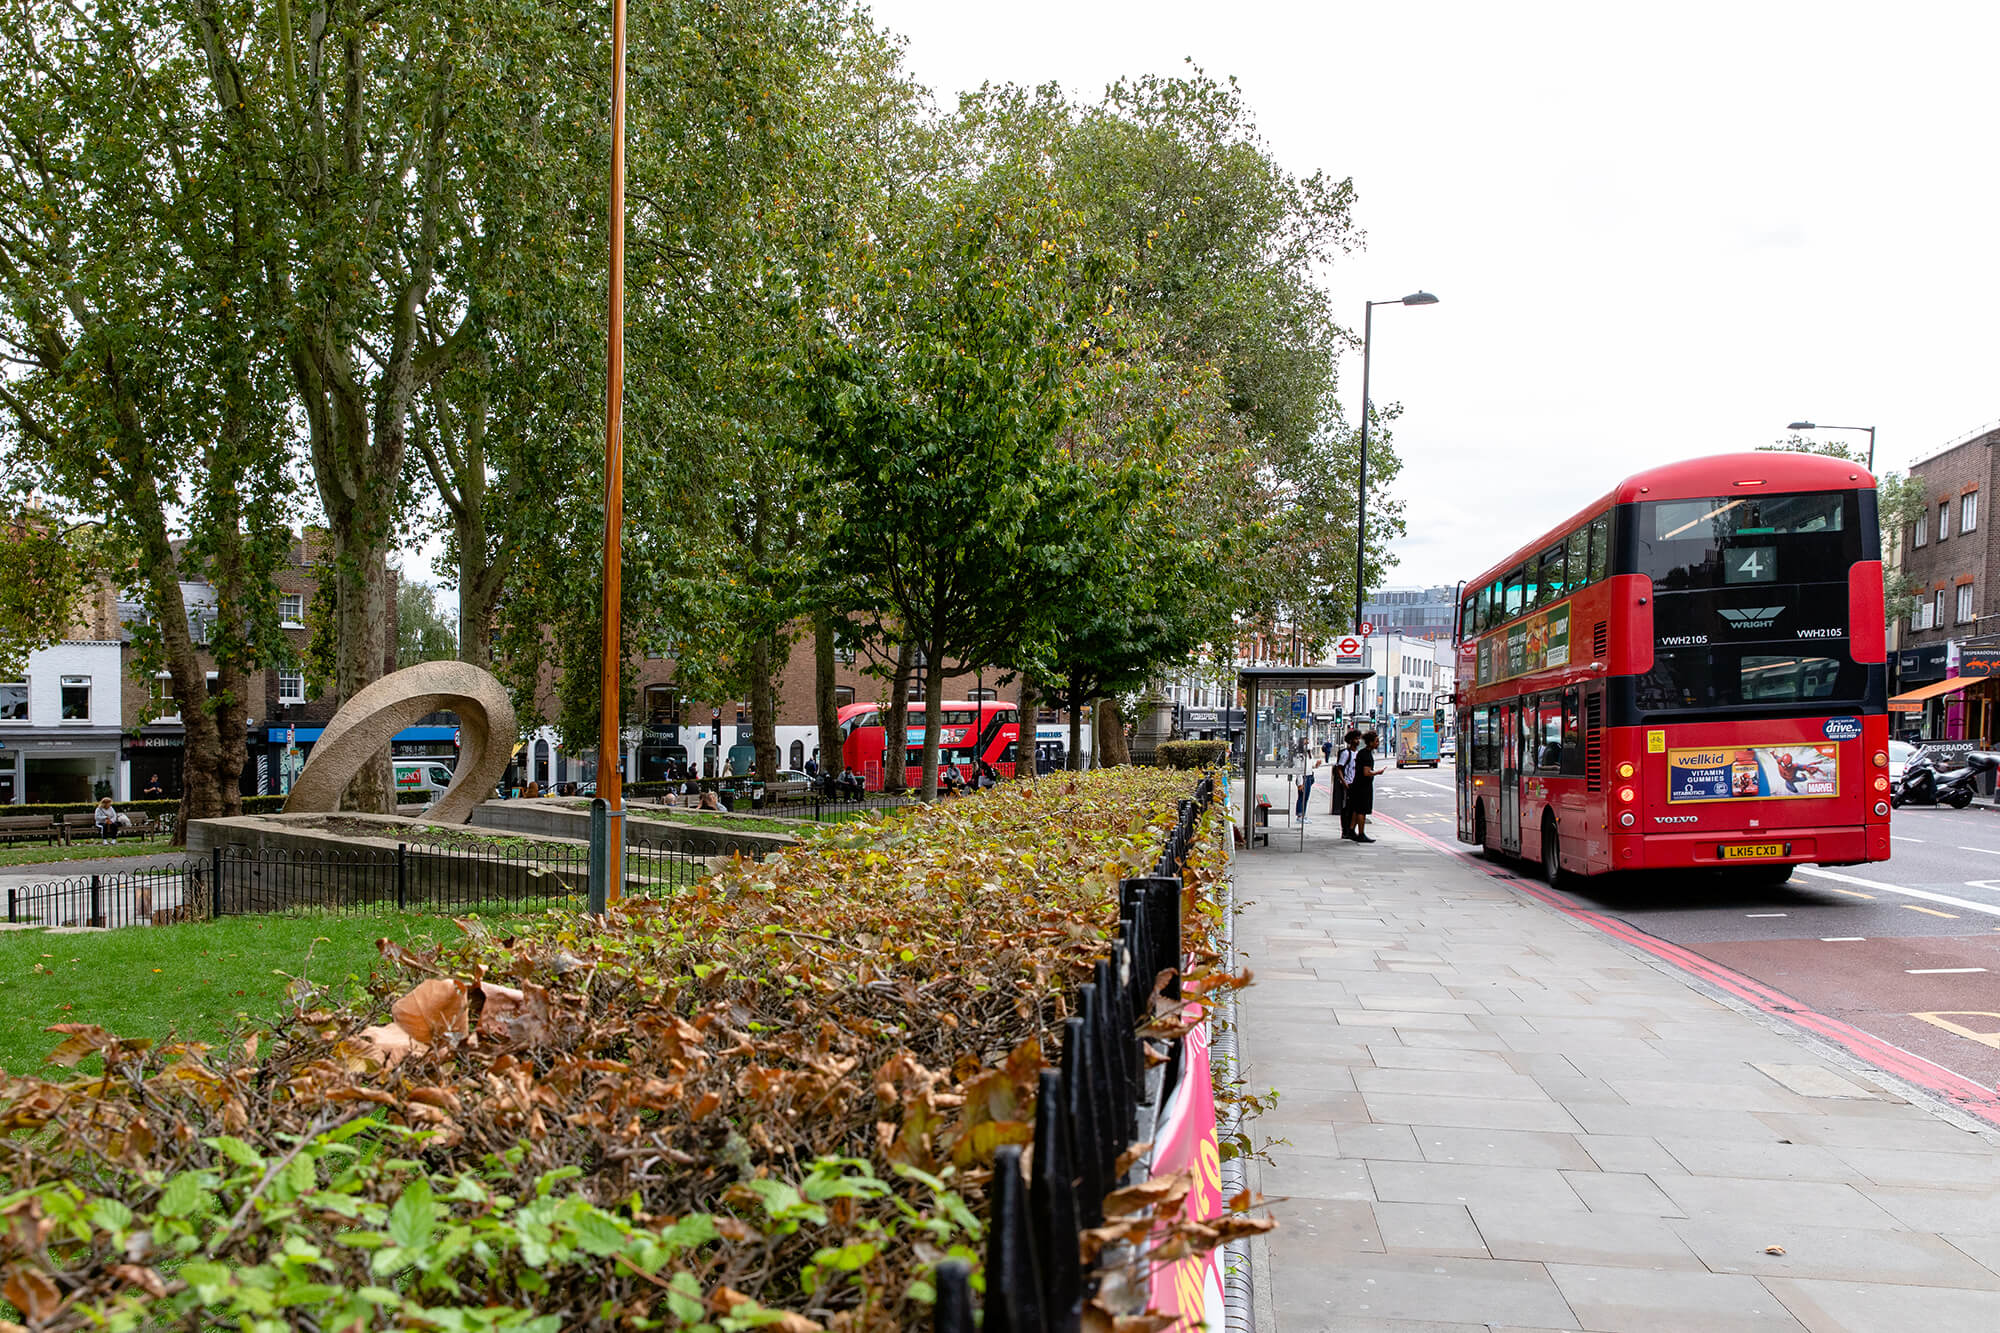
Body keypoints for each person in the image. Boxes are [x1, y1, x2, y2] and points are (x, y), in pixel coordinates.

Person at [1350, 729, 1384, 844]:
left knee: (1356, 809)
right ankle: (1361, 833)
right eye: (1376, 741)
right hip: (1363, 786)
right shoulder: (1366, 755)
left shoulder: (1363, 752)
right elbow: (1366, 772)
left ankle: (1351, 830)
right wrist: (1377, 772)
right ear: (1370, 743)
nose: (1377, 743)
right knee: (1362, 811)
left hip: (1357, 784)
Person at [1335, 730, 1361, 839]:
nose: (1358, 741)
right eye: (1356, 738)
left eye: (1359, 738)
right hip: (1347, 784)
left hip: (1355, 784)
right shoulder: (1346, 753)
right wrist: (1344, 782)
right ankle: (1345, 831)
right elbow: (1339, 768)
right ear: (1350, 740)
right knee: (1346, 809)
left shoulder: (1357, 753)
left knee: (1354, 808)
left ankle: (1351, 830)